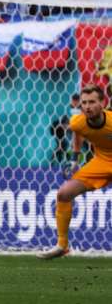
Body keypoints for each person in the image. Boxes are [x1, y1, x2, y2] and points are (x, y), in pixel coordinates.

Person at [37, 85, 112, 259]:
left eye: (92, 102)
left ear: (102, 103)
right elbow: (77, 134)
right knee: (64, 193)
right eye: (84, 103)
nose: (87, 106)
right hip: (101, 163)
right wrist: (74, 159)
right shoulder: (77, 122)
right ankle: (62, 246)